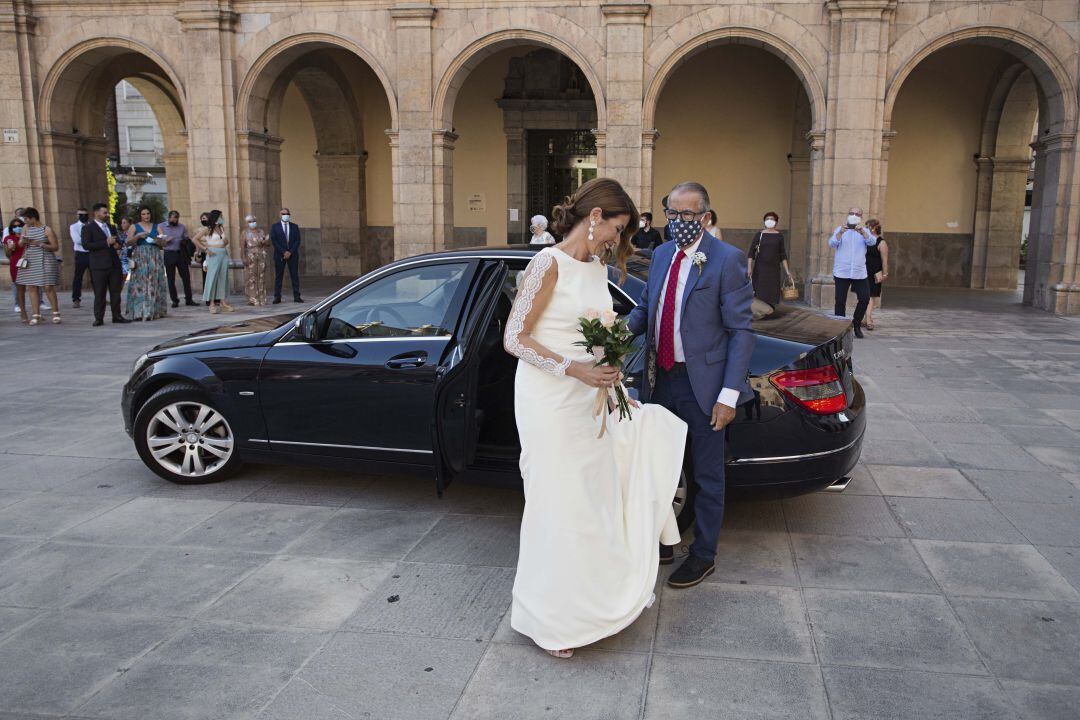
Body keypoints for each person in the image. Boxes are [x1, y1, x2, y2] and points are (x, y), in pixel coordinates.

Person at [504, 177, 687, 659]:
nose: (617, 238)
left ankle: (594, 602)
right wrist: (574, 369)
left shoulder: (597, 268)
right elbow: (514, 339)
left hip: (590, 399)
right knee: (558, 501)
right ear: (595, 217)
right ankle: (554, 619)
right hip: (550, 399)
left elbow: (599, 338)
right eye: (617, 227)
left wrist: (612, 385)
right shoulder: (547, 263)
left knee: (591, 499)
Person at [627, 182, 755, 589]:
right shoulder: (662, 253)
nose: (679, 222)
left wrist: (728, 395)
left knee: (707, 474)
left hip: (705, 387)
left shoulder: (726, 260)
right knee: (661, 464)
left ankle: (704, 554)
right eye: (673, 214)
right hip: (660, 379)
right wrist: (615, 332)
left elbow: (741, 332)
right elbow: (648, 308)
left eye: (688, 215)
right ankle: (666, 540)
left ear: (705, 216)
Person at [828, 207, 876, 338]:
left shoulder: (865, 231)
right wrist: (840, 233)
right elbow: (832, 243)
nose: (854, 215)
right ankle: (840, 329)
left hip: (859, 272)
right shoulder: (840, 229)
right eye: (852, 213)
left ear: (861, 217)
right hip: (842, 271)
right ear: (848, 215)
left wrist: (863, 233)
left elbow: (872, 242)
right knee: (840, 301)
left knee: (865, 298)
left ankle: (856, 324)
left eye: (857, 214)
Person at [83, 203, 130, 326]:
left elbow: (118, 241)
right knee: (100, 293)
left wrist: (117, 244)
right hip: (98, 266)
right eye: (104, 212)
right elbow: (86, 245)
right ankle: (99, 318)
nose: (107, 215)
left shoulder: (111, 226)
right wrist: (105, 242)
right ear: (96, 213)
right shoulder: (88, 228)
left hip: (114, 264)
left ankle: (117, 315)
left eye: (107, 212)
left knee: (115, 292)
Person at [123, 205, 169, 321]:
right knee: (141, 283)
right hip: (140, 255)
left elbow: (164, 244)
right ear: (140, 215)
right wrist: (138, 236)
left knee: (154, 282)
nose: (146, 216)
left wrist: (159, 241)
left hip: (154, 255)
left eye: (148, 213)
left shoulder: (157, 226)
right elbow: (127, 242)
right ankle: (140, 311)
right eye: (143, 214)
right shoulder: (134, 226)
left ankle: (154, 310)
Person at [17, 208, 62, 325]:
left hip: (45, 259)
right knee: (32, 286)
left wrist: (40, 244)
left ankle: (56, 313)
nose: (25, 221)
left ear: (33, 218)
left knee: (48, 287)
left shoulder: (47, 229)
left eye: (26, 219)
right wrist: (23, 241)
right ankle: (36, 315)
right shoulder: (26, 228)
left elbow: (55, 247)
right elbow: (20, 244)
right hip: (31, 260)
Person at [748, 211, 794, 306]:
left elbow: (782, 254)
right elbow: (751, 252)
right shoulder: (759, 235)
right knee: (760, 289)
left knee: (772, 290)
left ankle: (770, 310)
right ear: (764, 221)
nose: (769, 221)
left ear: (776, 222)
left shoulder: (779, 236)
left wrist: (787, 271)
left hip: (774, 269)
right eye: (767, 219)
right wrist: (749, 268)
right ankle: (761, 309)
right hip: (760, 268)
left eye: (772, 219)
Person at [194, 209, 233, 314]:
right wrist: (205, 249)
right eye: (221, 216)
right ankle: (211, 303)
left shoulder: (221, 228)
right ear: (216, 217)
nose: (222, 218)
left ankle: (222, 301)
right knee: (212, 278)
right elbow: (195, 239)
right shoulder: (207, 229)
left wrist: (224, 239)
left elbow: (226, 242)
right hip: (213, 253)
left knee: (223, 277)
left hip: (223, 253)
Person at [158, 210, 196, 307]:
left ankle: (189, 299)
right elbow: (159, 243)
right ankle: (175, 300)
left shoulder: (182, 227)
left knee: (186, 277)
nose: (175, 220)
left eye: (176, 218)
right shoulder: (161, 226)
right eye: (173, 218)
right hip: (169, 253)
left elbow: (187, 239)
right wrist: (166, 240)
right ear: (169, 217)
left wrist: (185, 241)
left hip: (181, 254)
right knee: (171, 278)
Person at [270, 207, 302, 303]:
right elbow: (274, 241)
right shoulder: (275, 227)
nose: (285, 216)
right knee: (279, 276)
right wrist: (283, 252)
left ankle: (297, 296)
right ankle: (277, 297)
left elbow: (297, 240)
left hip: (293, 254)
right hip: (280, 255)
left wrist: (290, 252)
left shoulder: (294, 226)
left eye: (287, 214)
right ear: (280, 215)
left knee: (294, 276)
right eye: (283, 214)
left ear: (289, 215)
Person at [863, 218, 890, 330]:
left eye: (867, 227)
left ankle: (868, 319)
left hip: (874, 272)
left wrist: (885, 274)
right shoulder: (864, 240)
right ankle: (865, 319)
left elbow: (884, 261)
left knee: (870, 296)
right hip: (863, 271)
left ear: (873, 229)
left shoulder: (881, 242)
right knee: (863, 296)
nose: (865, 229)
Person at [241, 214, 270, 305]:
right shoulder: (244, 233)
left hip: (261, 255)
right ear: (247, 223)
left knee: (261, 277)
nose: (252, 223)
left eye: (253, 221)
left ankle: (262, 298)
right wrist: (244, 258)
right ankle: (252, 298)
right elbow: (242, 247)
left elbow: (267, 244)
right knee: (251, 277)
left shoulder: (261, 231)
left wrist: (265, 242)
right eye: (250, 221)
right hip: (250, 256)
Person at [3, 217, 27, 323]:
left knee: (34, 287)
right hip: (16, 263)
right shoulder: (9, 238)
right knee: (19, 288)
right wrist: (10, 248)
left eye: (19, 226)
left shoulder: (26, 236)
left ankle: (37, 309)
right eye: (14, 226)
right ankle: (22, 310)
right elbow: (7, 254)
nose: (17, 228)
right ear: (11, 228)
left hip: (29, 262)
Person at [69, 207, 90, 308]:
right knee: (78, 277)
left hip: (92, 253)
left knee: (97, 276)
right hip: (81, 253)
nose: (83, 216)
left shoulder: (92, 225)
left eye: (85, 214)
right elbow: (77, 240)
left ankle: (101, 296)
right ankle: (76, 298)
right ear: (77, 216)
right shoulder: (74, 227)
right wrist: (91, 242)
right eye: (80, 214)